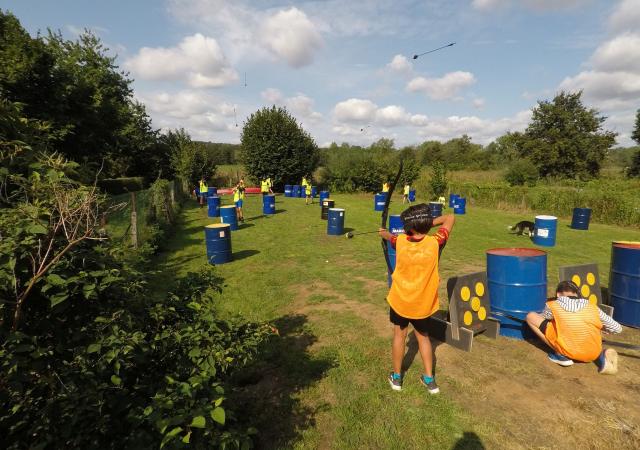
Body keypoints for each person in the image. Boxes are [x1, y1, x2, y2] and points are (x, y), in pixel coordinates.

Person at [379, 204, 455, 394]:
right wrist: (427, 223)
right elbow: (450, 217)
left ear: (410, 227)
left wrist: (384, 233)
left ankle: (397, 379)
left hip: (401, 300)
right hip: (422, 303)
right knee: (423, 338)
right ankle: (430, 381)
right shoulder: (436, 242)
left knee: (399, 335)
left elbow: (389, 237)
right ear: (426, 224)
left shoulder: (401, 241)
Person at [526, 281, 622, 374]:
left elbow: (542, 318)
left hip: (569, 350)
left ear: (558, 294)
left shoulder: (553, 305)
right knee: (592, 329)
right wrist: (603, 328)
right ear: (576, 293)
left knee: (531, 316)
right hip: (593, 353)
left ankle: (560, 354)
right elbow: (617, 328)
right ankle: (602, 358)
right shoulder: (592, 306)